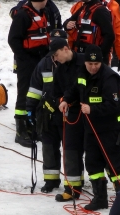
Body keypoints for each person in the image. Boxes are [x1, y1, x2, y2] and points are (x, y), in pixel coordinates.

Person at [64, 44, 120, 210]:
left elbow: (113, 105)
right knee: (92, 164)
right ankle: (100, 198)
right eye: (90, 64)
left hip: (110, 128)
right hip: (91, 129)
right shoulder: (82, 73)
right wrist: (66, 100)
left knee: (114, 165)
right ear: (85, 63)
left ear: (102, 63)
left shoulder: (109, 78)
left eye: (96, 64)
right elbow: (75, 89)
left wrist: (92, 109)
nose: (93, 67)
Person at [26, 29, 68, 193]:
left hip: (68, 115)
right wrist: (29, 109)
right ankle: (51, 181)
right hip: (47, 115)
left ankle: (73, 183)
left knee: (71, 151)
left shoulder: (73, 63)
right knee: (49, 148)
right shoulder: (43, 64)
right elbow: (34, 89)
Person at [8, 0, 53, 147]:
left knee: (37, 92)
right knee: (24, 93)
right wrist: (23, 58)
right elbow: (13, 40)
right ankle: (20, 131)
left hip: (41, 59)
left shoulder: (44, 13)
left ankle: (31, 125)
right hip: (27, 61)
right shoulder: (22, 16)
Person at [50, 39, 86, 202]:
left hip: (90, 112)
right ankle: (72, 188)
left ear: (66, 49)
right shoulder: (59, 71)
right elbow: (56, 93)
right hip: (71, 113)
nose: (56, 59)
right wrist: (61, 102)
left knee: (95, 151)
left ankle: (116, 187)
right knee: (70, 150)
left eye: (57, 55)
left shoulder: (86, 62)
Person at [67, 0, 120, 74]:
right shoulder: (80, 5)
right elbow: (70, 27)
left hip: (97, 57)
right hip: (78, 54)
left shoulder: (111, 7)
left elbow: (118, 34)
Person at [63, 0, 115, 64]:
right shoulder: (84, 8)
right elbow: (68, 21)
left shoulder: (100, 10)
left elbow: (110, 36)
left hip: (95, 58)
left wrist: (100, 55)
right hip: (81, 53)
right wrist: (67, 24)